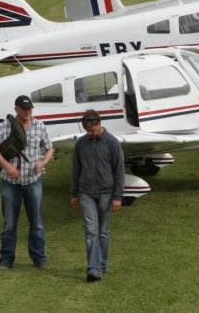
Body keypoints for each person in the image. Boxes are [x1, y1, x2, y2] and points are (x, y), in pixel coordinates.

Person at [0, 95, 54, 269]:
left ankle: (39, 258)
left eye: (30, 109)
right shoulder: (6, 127)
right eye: (24, 109)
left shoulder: (40, 126)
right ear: (16, 109)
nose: (28, 112)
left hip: (33, 181)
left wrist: (42, 163)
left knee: (37, 223)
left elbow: (49, 149)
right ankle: (6, 259)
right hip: (10, 183)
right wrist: (8, 168)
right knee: (9, 224)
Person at [71, 109, 125, 282]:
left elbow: (119, 171)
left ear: (99, 124)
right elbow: (76, 170)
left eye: (91, 130)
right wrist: (74, 193)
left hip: (106, 195)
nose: (89, 133)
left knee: (103, 232)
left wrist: (117, 196)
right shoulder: (80, 143)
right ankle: (93, 269)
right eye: (86, 130)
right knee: (91, 232)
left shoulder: (112, 143)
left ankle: (101, 265)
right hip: (86, 193)